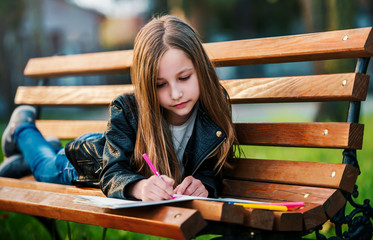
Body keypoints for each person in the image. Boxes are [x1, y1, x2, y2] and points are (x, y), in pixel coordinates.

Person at [0, 15, 238, 201]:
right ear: (146, 86)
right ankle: (22, 129)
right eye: (160, 84)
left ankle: (25, 158)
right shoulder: (128, 109)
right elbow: (112, 172)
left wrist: (203, 185)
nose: (176, 94)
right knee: (43, 168)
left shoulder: (213, 106)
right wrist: (140, 186)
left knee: (42, 161)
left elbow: (211, 168)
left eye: (184, 78)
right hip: (90, 165)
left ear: (200, 69)